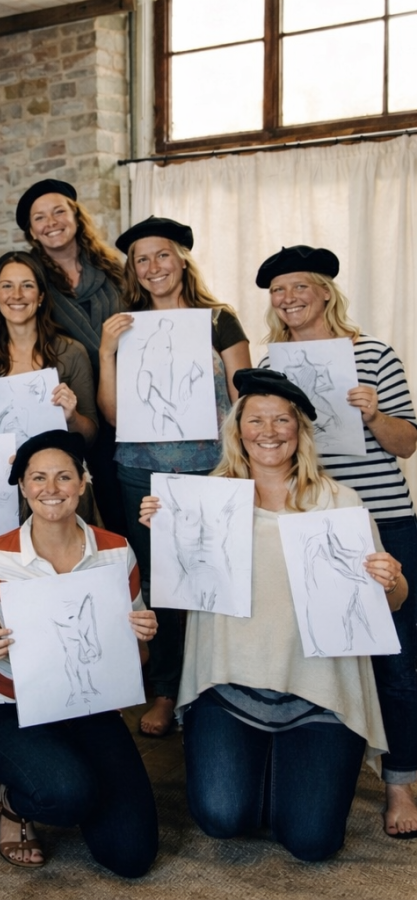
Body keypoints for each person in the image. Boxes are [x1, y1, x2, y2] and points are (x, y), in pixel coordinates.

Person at [140, 368, 407, 861]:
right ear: (237, 431)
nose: (268, 432)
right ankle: (261, 769)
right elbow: (176, 597)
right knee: (222, 820)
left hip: (319, 695)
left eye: (281, 420)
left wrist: (391, 577)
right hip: (229, 687)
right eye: (256, 420)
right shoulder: (204, 503)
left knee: (312, 842)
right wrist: (167, 531)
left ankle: (283, 769)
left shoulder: (340, 503)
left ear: (300, 431)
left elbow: (389, 604)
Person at [257, 245, 417, 838]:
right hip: (308, 522)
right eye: (278, 291)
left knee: (395, 658)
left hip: (384, 518)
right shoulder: (272, 363)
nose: (289, 299)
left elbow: (406, 445)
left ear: (325, 291)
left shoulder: (373, 353)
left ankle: (401, 783)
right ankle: (326, 770)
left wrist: (375, 415)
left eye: (299, 287)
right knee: (317, 649)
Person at [0, 430, 159, 874]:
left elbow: (137, 660)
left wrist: (142, 636)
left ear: (83, 483)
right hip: (10, 706)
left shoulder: (117, 551)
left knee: (132, 856)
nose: (51, 490)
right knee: (65, 796)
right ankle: (11, 802)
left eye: (64, 477)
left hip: (91, 706)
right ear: (24, 486)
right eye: (39, 478)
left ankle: (67, 772)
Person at [99, 215, 251, 736]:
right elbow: (114, 415)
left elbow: (242, 398)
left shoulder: (218, 320)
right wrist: (105, 351)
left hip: (211, 468)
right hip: (141, 471)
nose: (152, 267)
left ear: (182, 257)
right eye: (141, 259)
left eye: (161, 254)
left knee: (213, 577)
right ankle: (165, 690)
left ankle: (214, 688)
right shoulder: (127, 325)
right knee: (159, 585)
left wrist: (238, 469)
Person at [16, 178, 124, 531]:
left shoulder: (113, 273)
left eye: (59, 211)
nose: (52, 223)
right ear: (32, 231)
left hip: (122, 410)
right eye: (40, 218)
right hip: (61, 414)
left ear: (76, 216)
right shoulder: (29, 280)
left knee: (120, 509)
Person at [0, 250, 98, 447]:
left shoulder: (72, 352)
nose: (16, 295)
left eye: (27, 286)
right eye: (7, 286)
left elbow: (91, 436)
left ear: (40, 296)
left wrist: (72, 417)